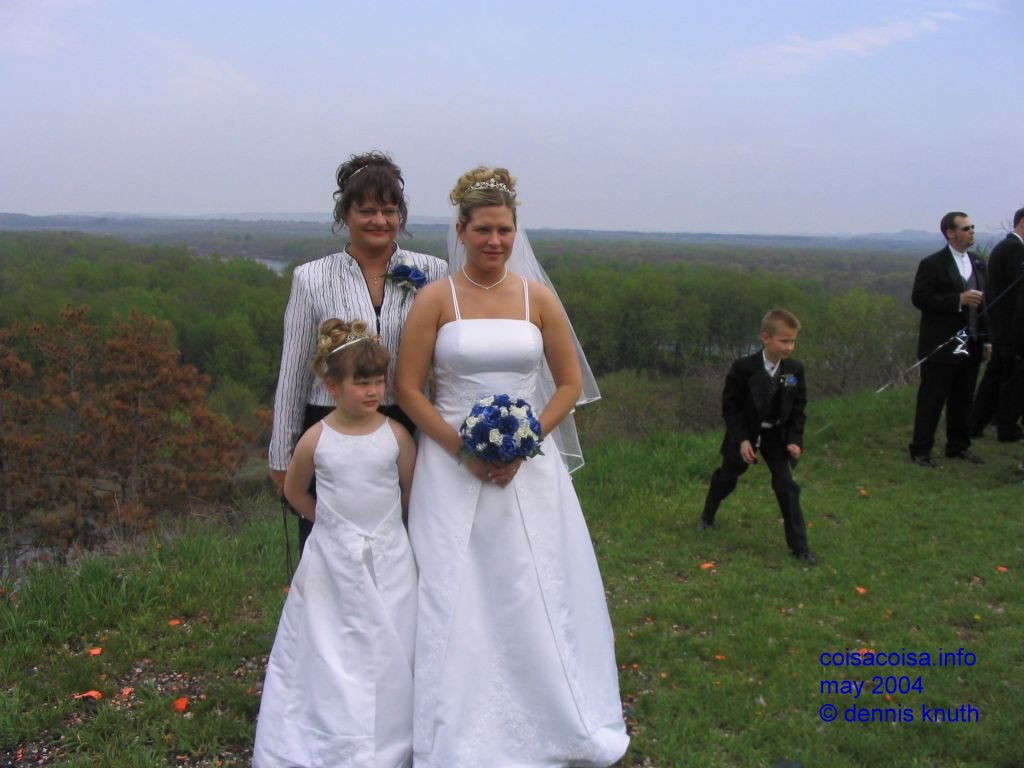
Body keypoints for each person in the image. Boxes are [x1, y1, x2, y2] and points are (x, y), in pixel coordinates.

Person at [394, 167, 628, 767]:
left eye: (504, 229)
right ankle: (453, 718)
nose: (494, 240)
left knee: (532, 580)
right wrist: (462, 449)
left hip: (530, 469)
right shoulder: (434, 299)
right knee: (458, 585)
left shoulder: (537, 298)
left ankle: (549, 705)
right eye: (483, 230)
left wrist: (525, 443)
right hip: (451, 467)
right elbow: (409, 388)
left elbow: (569, 382)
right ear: (461, 232)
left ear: (514, 232)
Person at [254, 319, 418, 768]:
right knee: (331, 640)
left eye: (377, 382)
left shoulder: (396, 435)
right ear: (331, 386)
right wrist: (329, 525)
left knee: (395, 634)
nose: (372, 391)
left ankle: (394, 727)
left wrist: (393, 529)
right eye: (360, 383)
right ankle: (331, 724)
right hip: (332, 557)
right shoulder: (317, 438)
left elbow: (408, 490)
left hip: (389, 554)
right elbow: (294, 490)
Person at [268, 151, 447, 554]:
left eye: (389, 210)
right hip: (332, 424)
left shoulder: (433, 272)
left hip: (408, 422)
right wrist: (282, 453)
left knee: (406, 540)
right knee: (333, 544)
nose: (379, 221)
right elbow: (294, 369)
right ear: (345, 215)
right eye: (367, 210)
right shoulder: (311, 277)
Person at [697, 308, 815, 564]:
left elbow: (798, 410)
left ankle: (800, 548)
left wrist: (795, 440)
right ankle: (708, 515)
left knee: (787, 486)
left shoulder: (794, 370)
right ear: (765, 337)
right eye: (784, 341)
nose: (790, 347)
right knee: (728, 476)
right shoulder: (743, 368)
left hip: (776, 435)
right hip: (745, 433)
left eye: (793, 341)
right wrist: (742, 440)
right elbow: (731, 408)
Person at [908, 212, 989, 467]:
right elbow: (920, 298)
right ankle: (921, 450)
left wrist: (988, 340)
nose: (971, 232)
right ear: (950, 233)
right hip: (942, 344)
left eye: (972, 227)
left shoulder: (978, 263)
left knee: (964, 398)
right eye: (966, 228)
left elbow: (987, 305)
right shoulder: (933, 264)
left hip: (972, 342)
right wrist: (958, 300)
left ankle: (958, 446)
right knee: (933, 399)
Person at [970, 207, 1024, 441]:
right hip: (1011, 327)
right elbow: (1017, 293)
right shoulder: (1014, 249)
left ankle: (976, 423)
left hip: (1003, 326)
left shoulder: (1007, 247)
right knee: (1011, 379)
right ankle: (1006, 427)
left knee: (997, 376)